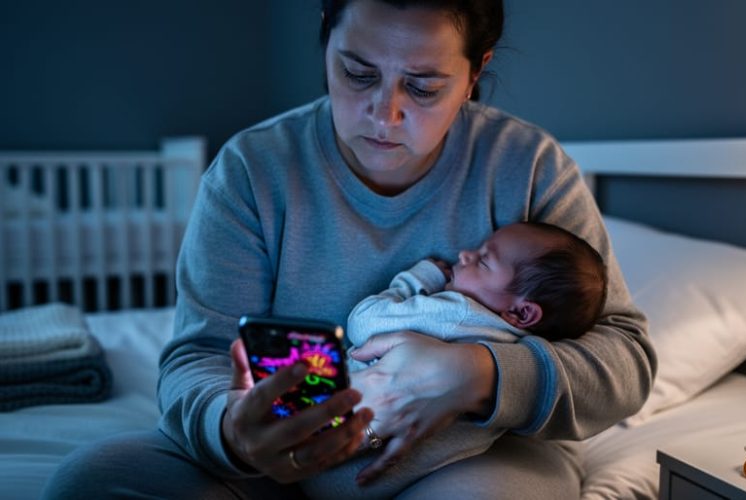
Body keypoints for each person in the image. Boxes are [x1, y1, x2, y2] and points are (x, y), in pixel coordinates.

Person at [43, 0, 655, 498]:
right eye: (357, 73)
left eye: (422, 87)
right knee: (91, 482)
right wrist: (232, 430)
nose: (382, 114)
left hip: (463, 462)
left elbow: (624, 359)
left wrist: (478, 373)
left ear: (475, 74)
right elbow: (198, 356)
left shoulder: (527, 167)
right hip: (275, 467)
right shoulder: (252, 171)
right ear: (325, 42)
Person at [301, 221, 608, 498]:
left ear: (521, 312)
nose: (465, 255)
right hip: (399, 480)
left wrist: (420, 278)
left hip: (329, 456)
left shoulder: (458, 313)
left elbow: (364, 323)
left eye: (484, 260)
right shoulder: (518, 350)